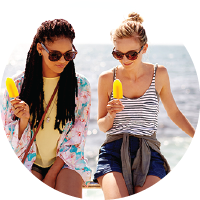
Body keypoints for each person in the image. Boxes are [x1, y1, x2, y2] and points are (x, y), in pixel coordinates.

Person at [93, 12, 195, 199]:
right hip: (113, 149)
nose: (125, 60)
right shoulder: (107, 78)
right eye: (118, 54)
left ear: (144, 48)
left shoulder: (159, 74)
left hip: (148, 149)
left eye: (132, 54)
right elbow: (102, 125)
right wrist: (110, 116)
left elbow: (173, 112)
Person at [1, 19, 92, 198]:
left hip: (66, 162)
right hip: (28, 160)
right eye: (55, 55)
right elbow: (9, 141)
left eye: (69, 55)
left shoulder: (80, 86)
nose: (62, 61)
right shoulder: (19, 86)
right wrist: (24, 120)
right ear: (40, 49)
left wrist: (51, 176)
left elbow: (76, 137)